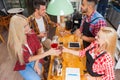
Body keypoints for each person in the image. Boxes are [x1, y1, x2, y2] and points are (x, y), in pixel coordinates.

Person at [7, 14, 61, 80]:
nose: (28, 27)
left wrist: (36, 63)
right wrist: (48, 53)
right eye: (24, 27)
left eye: (27, 24)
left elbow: (39, 48)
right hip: (24, 64)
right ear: (17, 30)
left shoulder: (31, 32)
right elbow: (28, 59)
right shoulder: (14, 44)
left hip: (36, 59)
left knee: (37, 74)